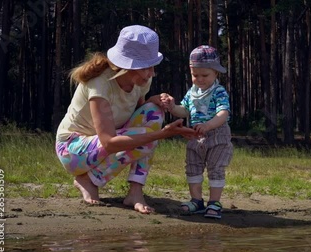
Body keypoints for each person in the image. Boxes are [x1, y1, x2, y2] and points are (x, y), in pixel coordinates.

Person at [55, 25, 196, 214]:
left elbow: (135, 115)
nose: (152, 73)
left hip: (105, 143)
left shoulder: (141, 81)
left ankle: (135, 192)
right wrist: (162, 134)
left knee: (154, 112)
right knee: (148, 136)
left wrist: (154, 101)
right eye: (147, 67)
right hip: (72, 150)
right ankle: (87, 179)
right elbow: (109, 142)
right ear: (129, 67)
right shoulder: (100, 85)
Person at [162, 45, 233, 219]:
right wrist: (172, 107)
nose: (199, 79)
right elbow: (184, 111)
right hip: (195, 135)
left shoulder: (218, 91)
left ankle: (214, 202)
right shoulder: (192, 92)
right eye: (195, 75)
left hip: (217, 134)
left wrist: (208, 125)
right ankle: (196, 201)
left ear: (216, 73)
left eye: (205, 75)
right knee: (193, 166)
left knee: (216, 168)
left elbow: (223, 113)